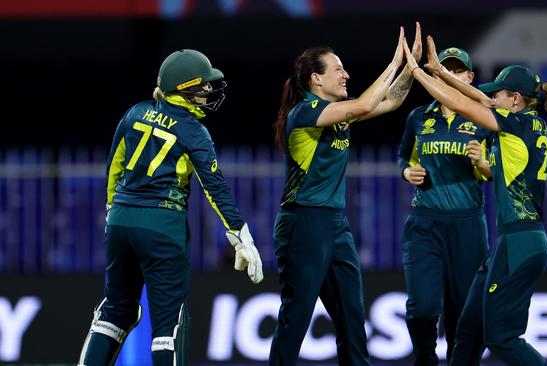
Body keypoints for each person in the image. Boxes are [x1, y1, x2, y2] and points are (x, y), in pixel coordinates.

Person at [77, 49, 264, 366]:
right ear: (185, 88)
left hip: (121, 221)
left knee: (115, 312)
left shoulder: (135, 113)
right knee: (168, 325)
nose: (208, 91)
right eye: (203, 86)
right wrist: (239, 235)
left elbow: (114, 168)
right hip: (163, 224)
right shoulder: (194, 131)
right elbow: (213, 185)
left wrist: (112, 209)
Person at [403, 36, 547, 366]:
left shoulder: (514, 125)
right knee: (468, 331)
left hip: (519, 243)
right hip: (515, 242)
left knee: (501, 338)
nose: (491, 96)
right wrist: (440, 70)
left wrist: (418, 73)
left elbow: (469, 105)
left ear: (516, 99)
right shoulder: (526, 122)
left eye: (499, 93)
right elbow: (479, 98)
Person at [269, 24, 421, 366]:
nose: (346, 74)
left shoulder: (338, 117)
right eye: (337, 69)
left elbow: (392, 100)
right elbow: (367, 105)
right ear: (315, 80)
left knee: (352, 317)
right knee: (296, 318)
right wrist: (395, 60)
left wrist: (411, 68)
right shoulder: (305, 114)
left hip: (335, 225)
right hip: (303, 223)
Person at [398, 46, 490, 365]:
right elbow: (403, 156)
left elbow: (499, 173)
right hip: (425, 221)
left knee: (464, 311)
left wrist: (483, 163)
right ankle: (425, 358)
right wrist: (407, 171)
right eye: (444, 69)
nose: (449, 75)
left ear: (470, 77)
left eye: (456, 70)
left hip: (467, 224)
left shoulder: (481, 119)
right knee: (422, 307)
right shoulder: (419, 117)